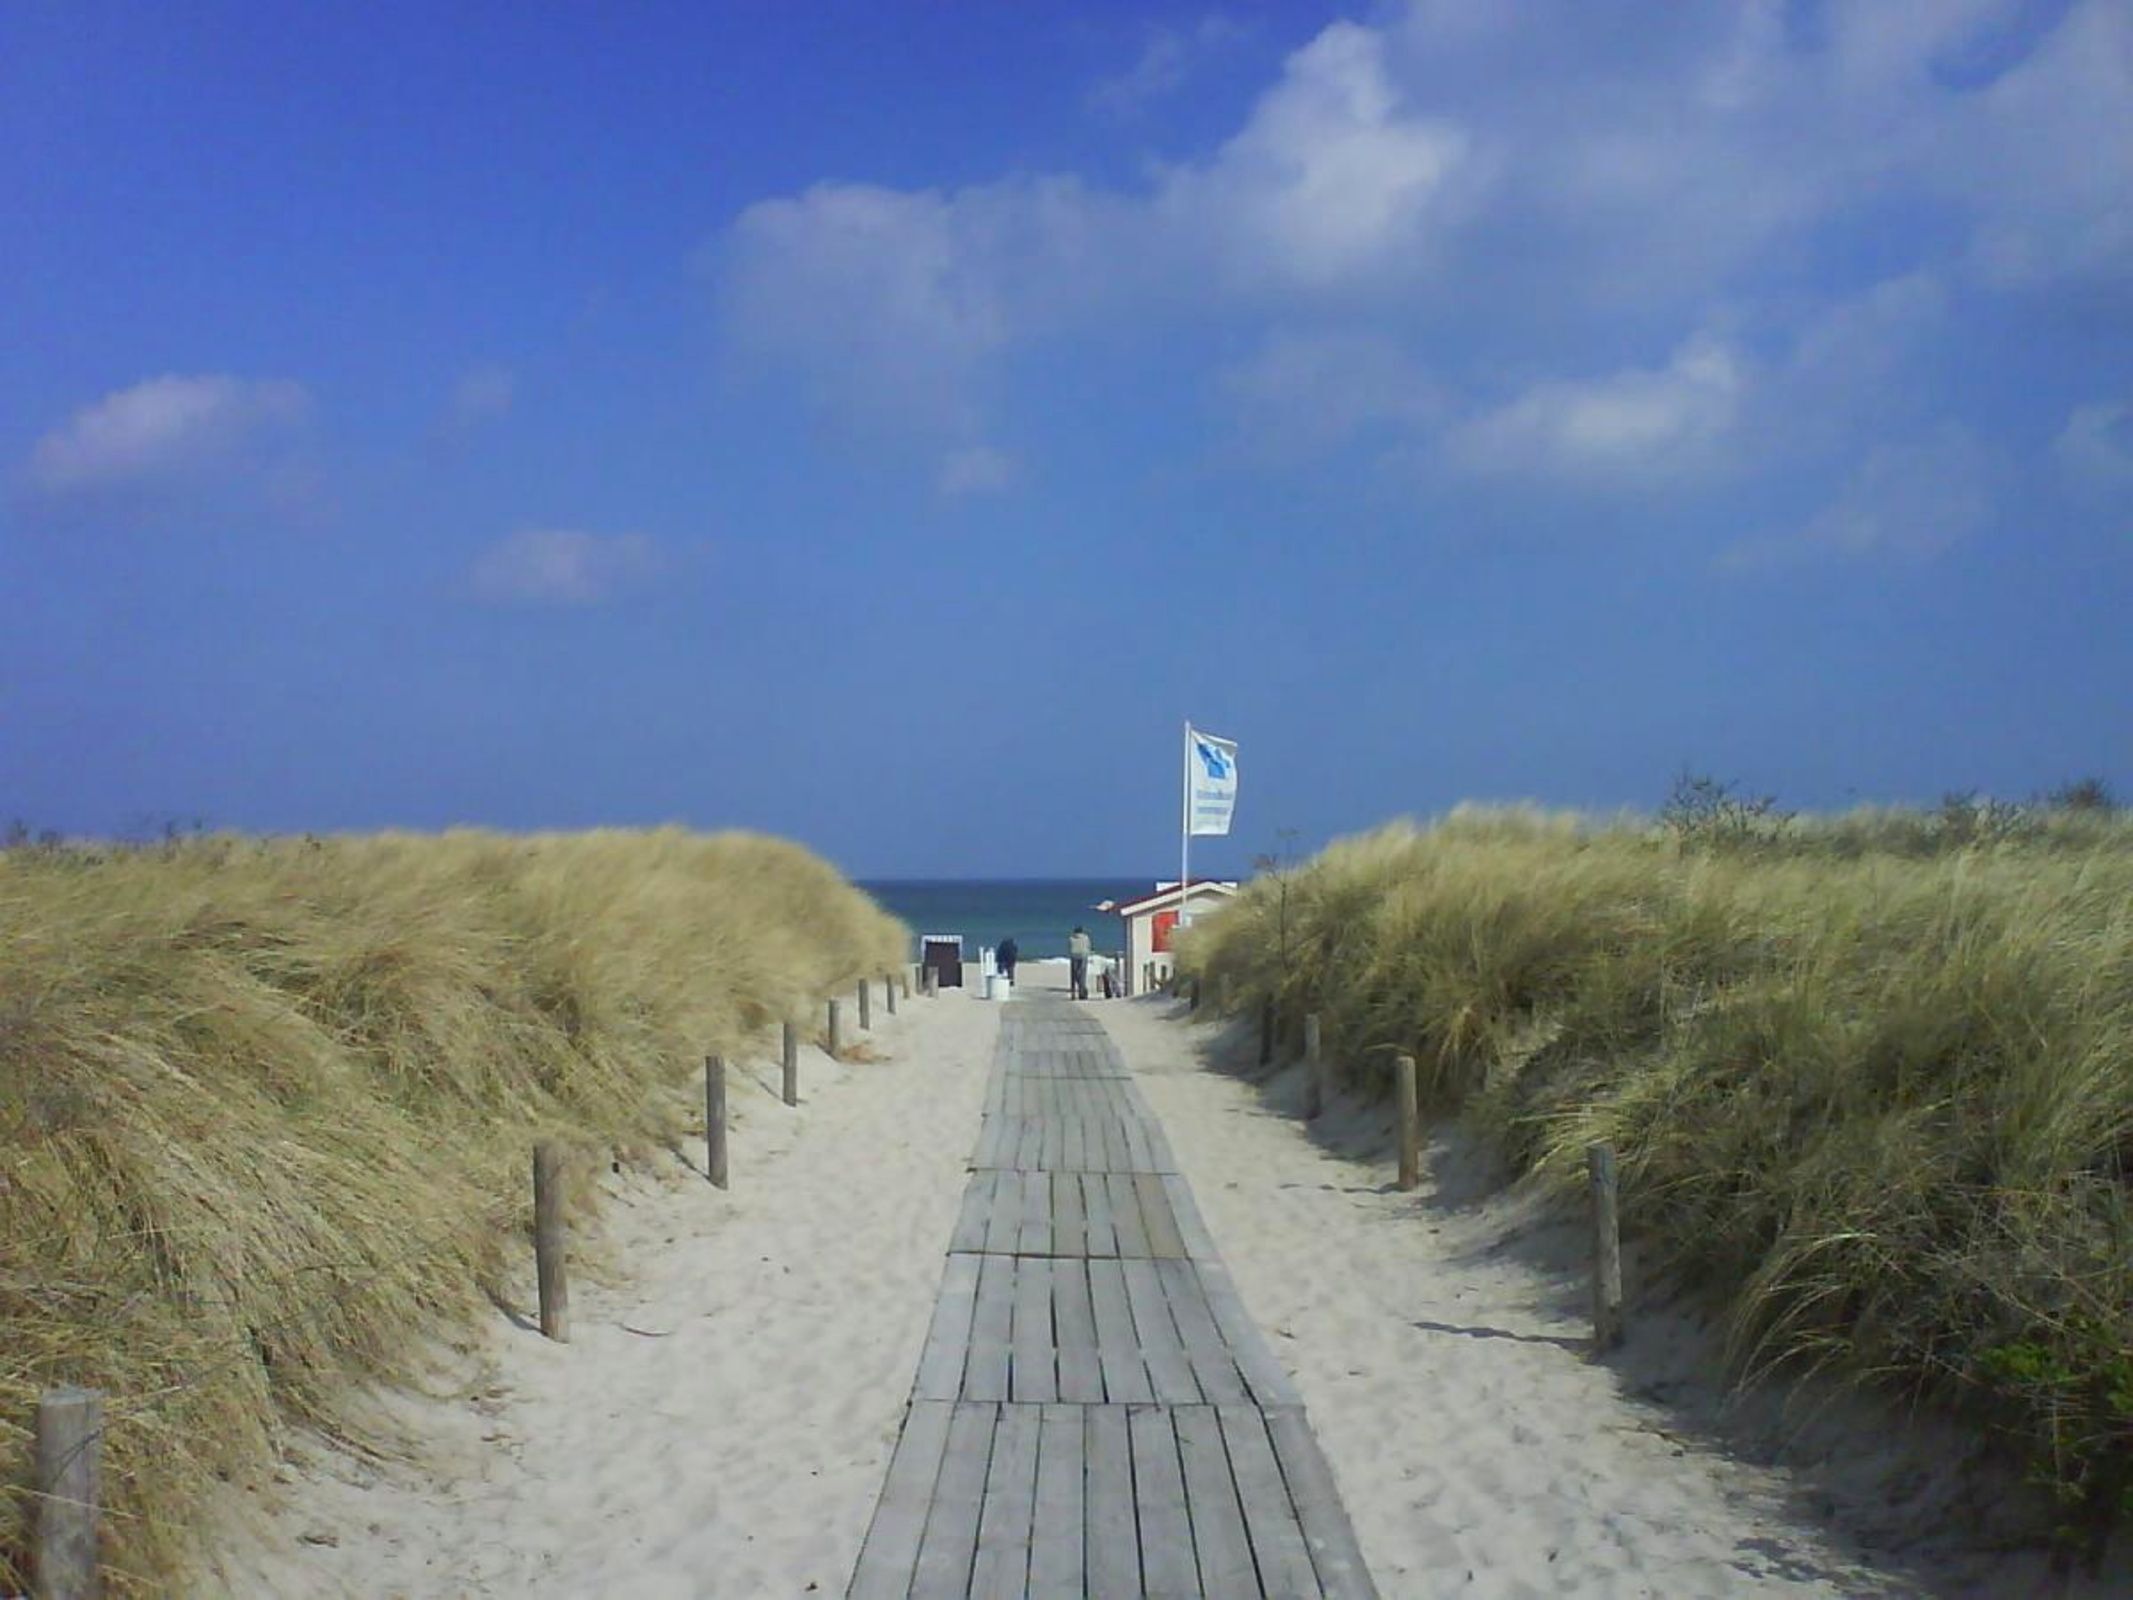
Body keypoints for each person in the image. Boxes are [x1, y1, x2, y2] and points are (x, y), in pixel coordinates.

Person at [1067, 925, 1092, 1000]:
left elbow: (1069, 947)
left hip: (1074, 956)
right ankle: (1082, 992)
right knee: (1082, 974)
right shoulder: (1086, 937)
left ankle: (1073, 992)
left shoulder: (1071, 938)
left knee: (1074, 974)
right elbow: (1089, 946)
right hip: (1083, 956)